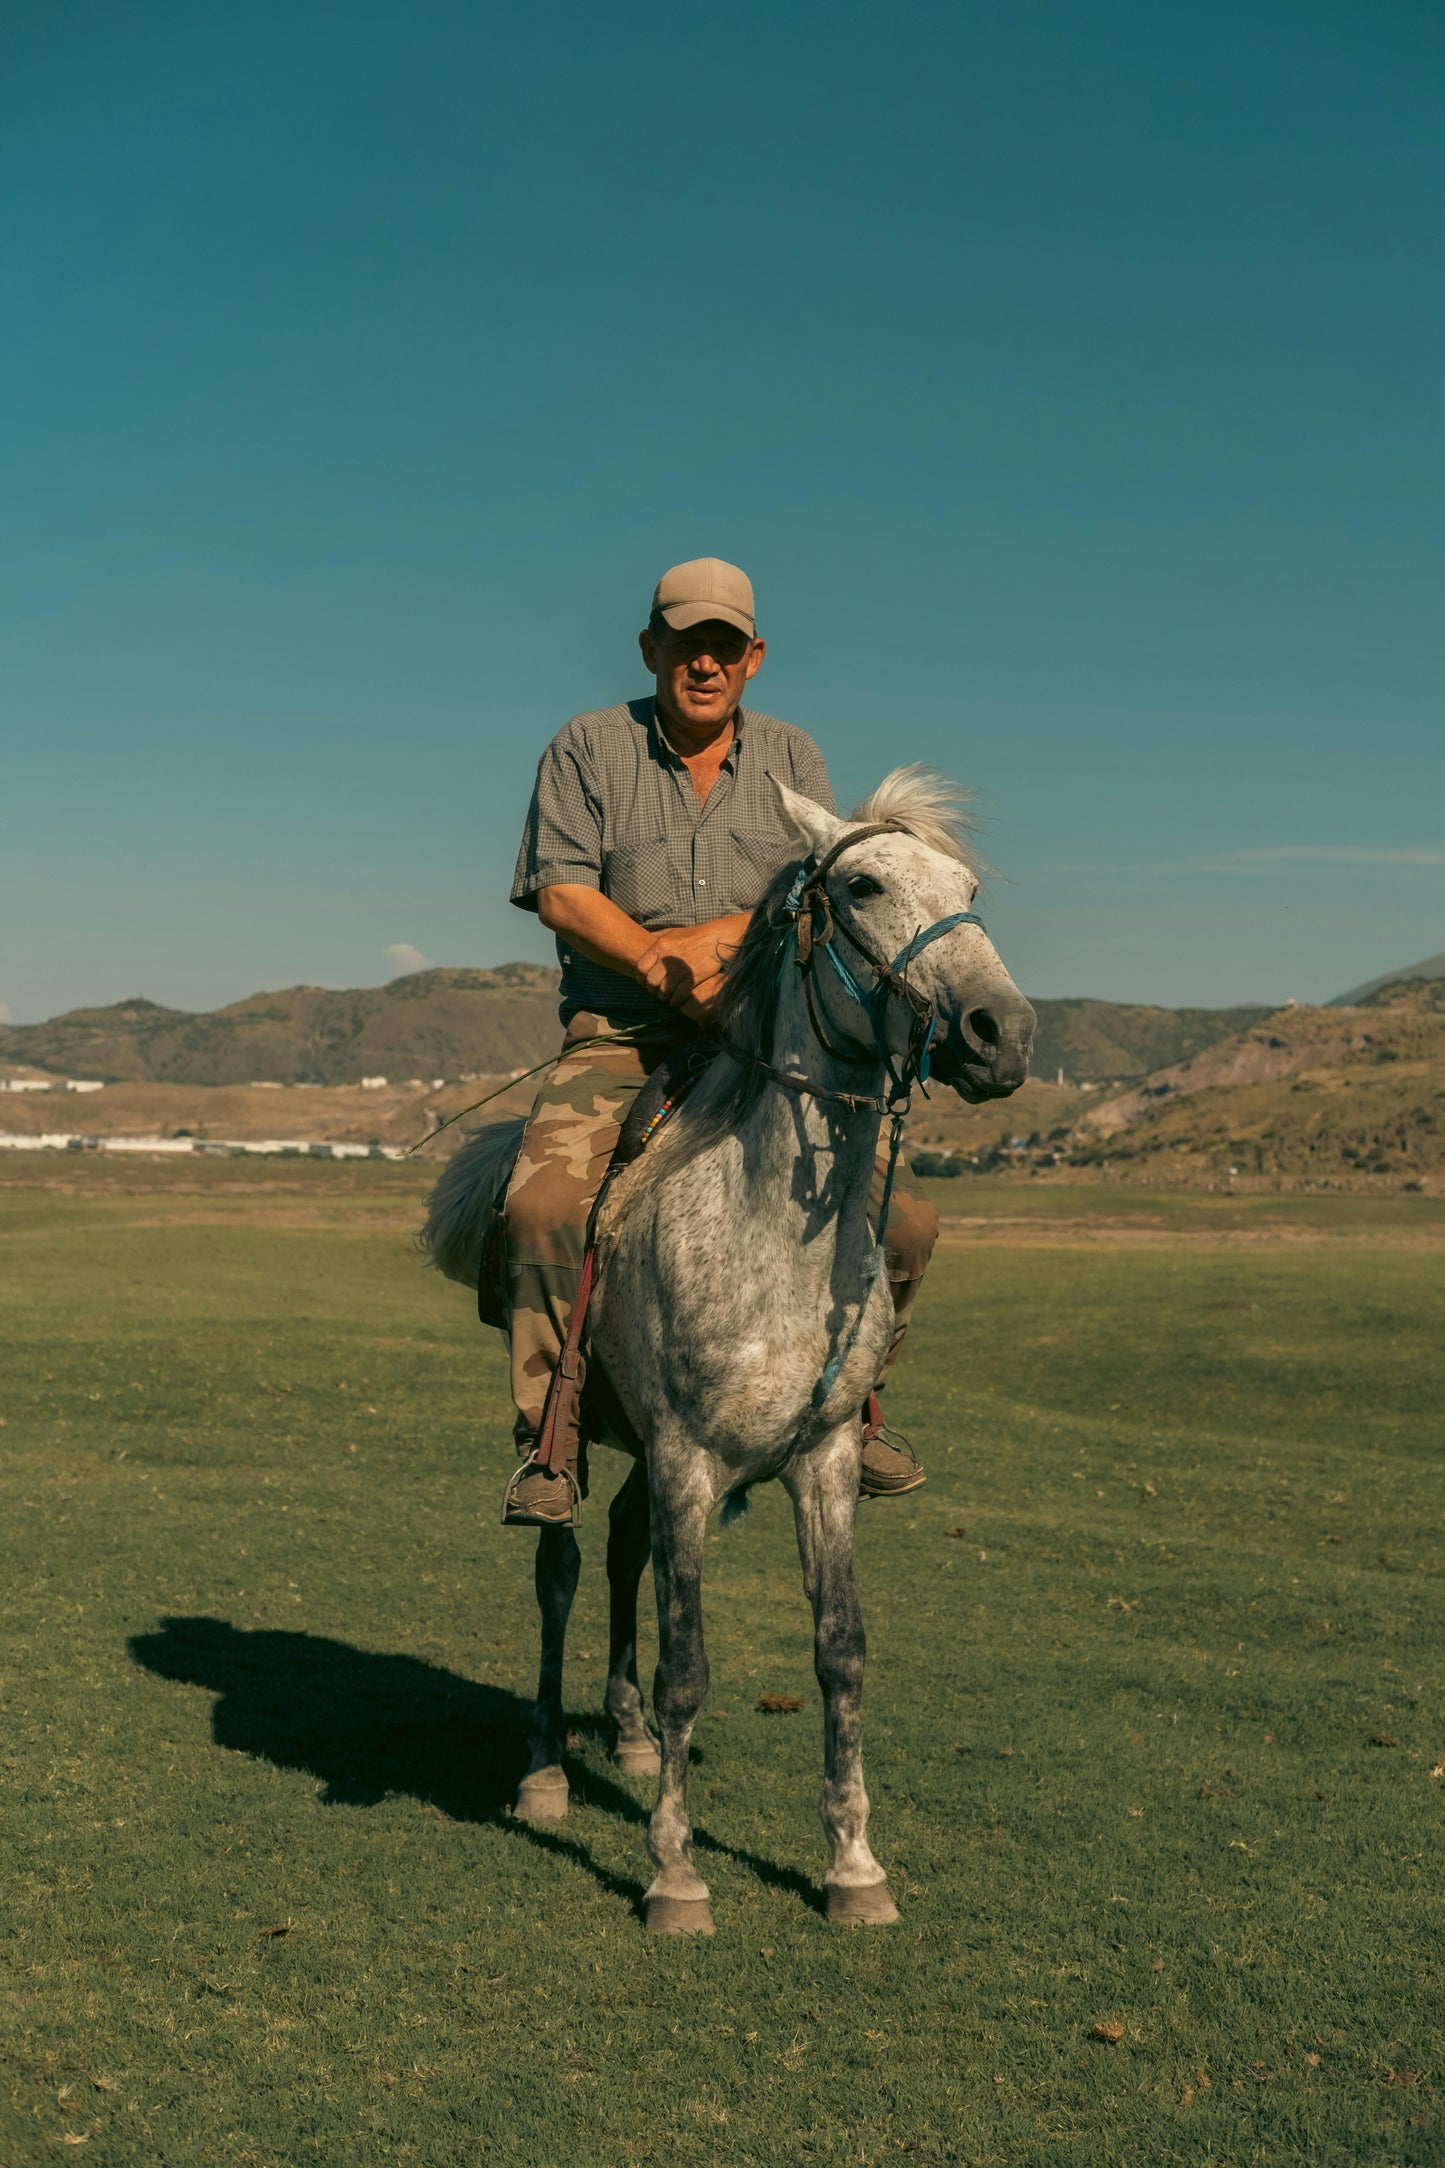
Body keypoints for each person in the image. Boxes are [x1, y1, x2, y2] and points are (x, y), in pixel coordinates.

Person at [501, 556, 938, 1526]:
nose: (704, 662)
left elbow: (821, 892)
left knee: (903, 1224)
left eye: (724, 646)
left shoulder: (794, 757)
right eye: (686, 642)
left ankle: (855, 1406)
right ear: (650, 646)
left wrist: (714, 945)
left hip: (761, 1039)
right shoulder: (587, 747)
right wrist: (658, 955)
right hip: (618, 1030)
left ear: (754, 658)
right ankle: (550, 1432)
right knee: (538, 1207)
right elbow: (564, 893)